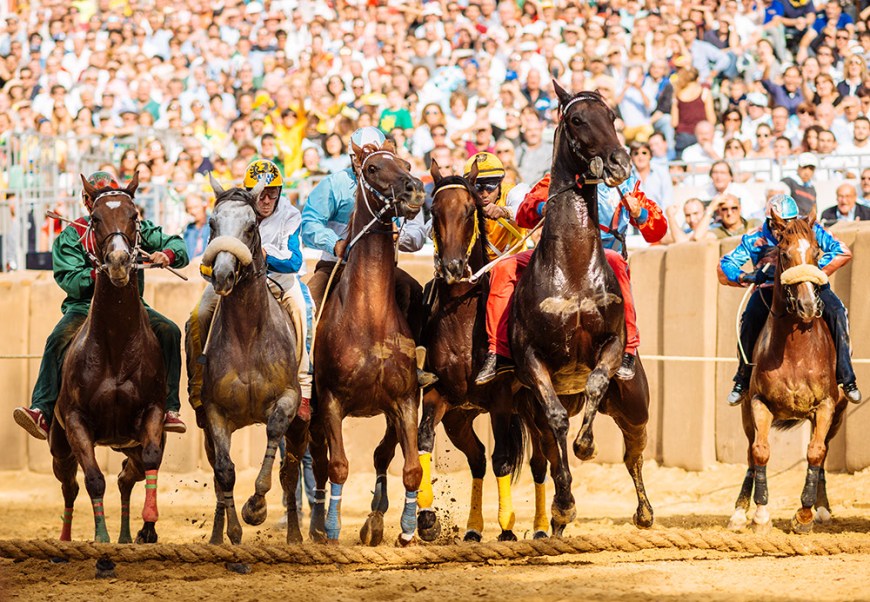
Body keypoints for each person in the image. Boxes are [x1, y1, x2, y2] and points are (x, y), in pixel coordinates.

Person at [13, 171, 190, 440]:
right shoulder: (72, 235)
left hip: (133, 307)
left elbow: (177, 245)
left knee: (170, 331)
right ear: (86, 200)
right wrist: (101, 272)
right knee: (57, 338)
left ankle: (169, 407)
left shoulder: (134, 226)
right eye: (93, 197)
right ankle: (42, 409)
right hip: (84, 308)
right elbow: (70, 280)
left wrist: (166, 254)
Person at [475, 174, 668, 385]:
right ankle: (498, 352)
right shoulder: (557, 177)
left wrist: (639, 213)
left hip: (601, 256)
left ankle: (629, 349)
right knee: (503, 267)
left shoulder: (627, 184)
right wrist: (542, 208)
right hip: (555, 254)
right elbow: (523, 213)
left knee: (617, 262)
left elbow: (657, 232)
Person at [300, 126, 435, 386]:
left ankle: (413, 365)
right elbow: (309, 223)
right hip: (335, 266)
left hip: (381, 269)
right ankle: (307, 375)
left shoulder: (397, 182)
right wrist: (335, 242)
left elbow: (417, 235)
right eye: (357, 158)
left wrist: (399, 234)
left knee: (414, 293)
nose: (360, 164)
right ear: (353, 157)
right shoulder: (334, 183)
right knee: (308, 303)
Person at [187, 159, 315, 424]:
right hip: (238, 283)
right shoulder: (235, 212)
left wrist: (262, 258)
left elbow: (294, 261)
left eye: (273, 193)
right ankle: (198, 385)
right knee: (197, 316)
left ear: (280, 192)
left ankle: (303, 388)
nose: (267, 199)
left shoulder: (291, 215)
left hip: (281, 280)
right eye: (261, 194)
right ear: (250, 192)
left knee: (305, 310)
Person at [718, 194, 862, 406]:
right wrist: (746, 276)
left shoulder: (810, 228)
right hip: (769, 290)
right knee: (749, 318)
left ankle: (846, 376)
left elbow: (842, 251)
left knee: (838, 311)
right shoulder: (755, 237)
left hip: (810, 285)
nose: (786, 227)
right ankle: (742, 379)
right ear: (771, 221)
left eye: (790, 220)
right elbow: (725, 265)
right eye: (780, 223)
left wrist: (810, 270)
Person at [462, 152, 525, 261]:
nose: (485, 194)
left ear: (500, 182)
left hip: (513, 266)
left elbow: (524, 209)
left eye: (490, 186)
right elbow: (431, 227)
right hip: (476, 269)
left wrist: (504, 211)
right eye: (478, 187)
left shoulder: (515, 191)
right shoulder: (462, 198)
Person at [183, 194, 210, 259]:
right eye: (189, 208)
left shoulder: (213, 225)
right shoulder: (188, 229)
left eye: (196, 207)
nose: (193, 211)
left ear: (205, 207)